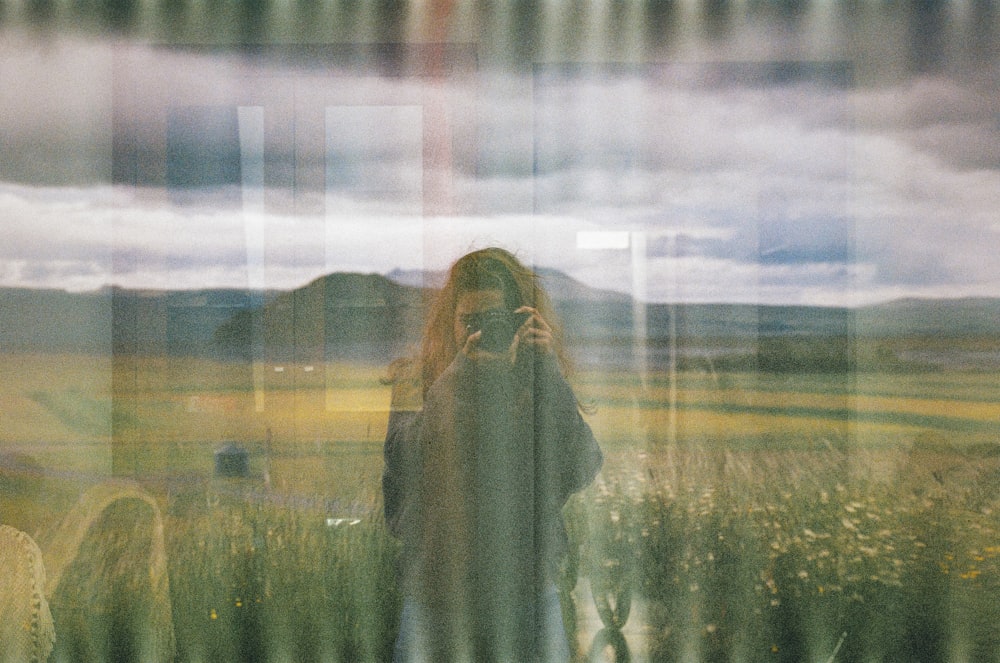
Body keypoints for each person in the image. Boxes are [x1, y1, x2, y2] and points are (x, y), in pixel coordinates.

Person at [382, 247, 603, 662]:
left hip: (527, 591)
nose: (480, 332)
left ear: (522, 320)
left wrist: (547, 374)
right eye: (470, 320)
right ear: (449, 321)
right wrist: (458, 381)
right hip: (436, 594)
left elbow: (580, 467)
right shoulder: (420, 381)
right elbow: (403, 463)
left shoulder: (537, 378)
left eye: (496, 319)